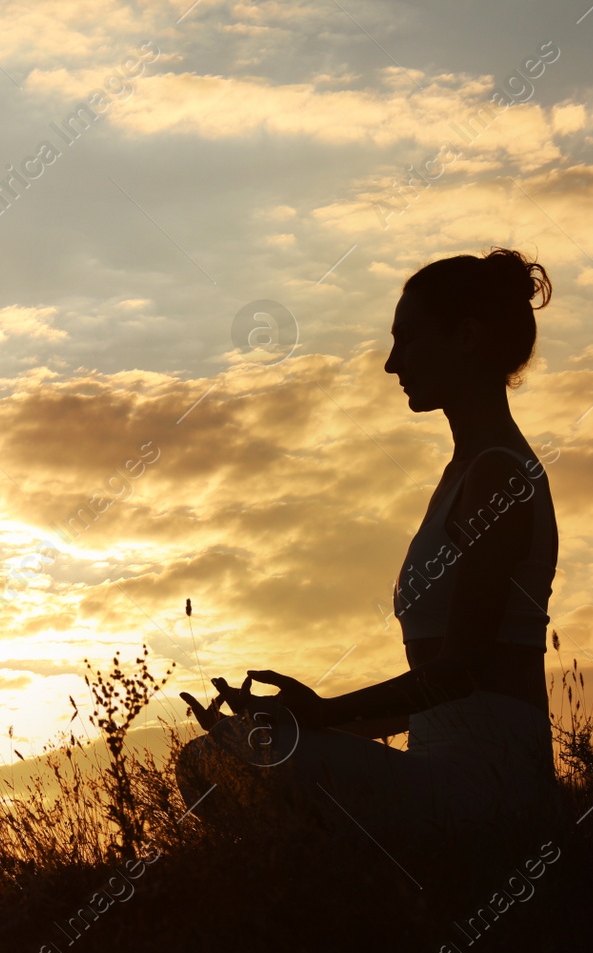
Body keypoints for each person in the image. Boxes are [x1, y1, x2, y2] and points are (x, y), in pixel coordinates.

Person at [176, 247, 560, 848]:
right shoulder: (465, 472)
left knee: (238, 762)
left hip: (493, 784)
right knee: (215, 756)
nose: (390, 363)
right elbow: (433, 700)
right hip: (444, 768)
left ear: (465, 337)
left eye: (406, 339)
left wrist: (322, 714)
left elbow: (463, 670)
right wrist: (302, 723)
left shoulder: (498, 476)